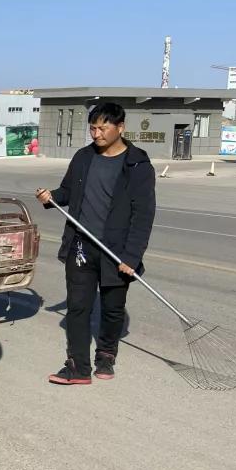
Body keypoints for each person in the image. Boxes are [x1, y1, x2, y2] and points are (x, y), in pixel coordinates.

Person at [36, 102, 156, 385]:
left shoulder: (138, 165)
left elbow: (143, 215)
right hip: (81, 245)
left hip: (117, 250)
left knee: (113, 309)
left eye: (103, 128)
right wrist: (50, 196)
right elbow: (68, 191)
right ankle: (78, 367)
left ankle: (106, 354)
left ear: (120, 127)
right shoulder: (83, 157)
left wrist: (132, 256)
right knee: (78, 307)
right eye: (93, 128)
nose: (96, 134)